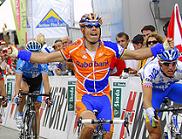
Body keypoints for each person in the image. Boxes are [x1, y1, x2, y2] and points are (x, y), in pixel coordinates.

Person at [7, 13, 173, 139]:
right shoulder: (74, 49)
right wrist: (17, 53)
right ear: (83, 30)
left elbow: (136, 55)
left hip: (104, 98)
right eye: (89, 26)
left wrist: (161, 47)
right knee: (89, 126)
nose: (94, 28)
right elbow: (44, 58)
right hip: (85, 98)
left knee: (108, 135)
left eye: (96, 26)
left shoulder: (110, 48)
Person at [139, 48, 182, 139]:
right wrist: (150, 111)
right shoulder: (150, 70)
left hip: (171, 88)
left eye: (173, 64)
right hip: (154, 92)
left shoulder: (180, 68)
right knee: (154, 132)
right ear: (159, 63)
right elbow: (147, 99)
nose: (170, 67)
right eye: (166, 64)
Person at [14, 40, 51, 137]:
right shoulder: (21, 61)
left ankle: (36, 135)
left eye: (36, 53)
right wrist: (17, 95)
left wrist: (48, 96)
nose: (34, 56)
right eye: (31, 53)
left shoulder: (43, 61)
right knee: (24, 91)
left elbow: (46, 81)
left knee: (37, 106)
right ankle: (20, 113)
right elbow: (17, 82)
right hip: (25, 79)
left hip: (37, 81)